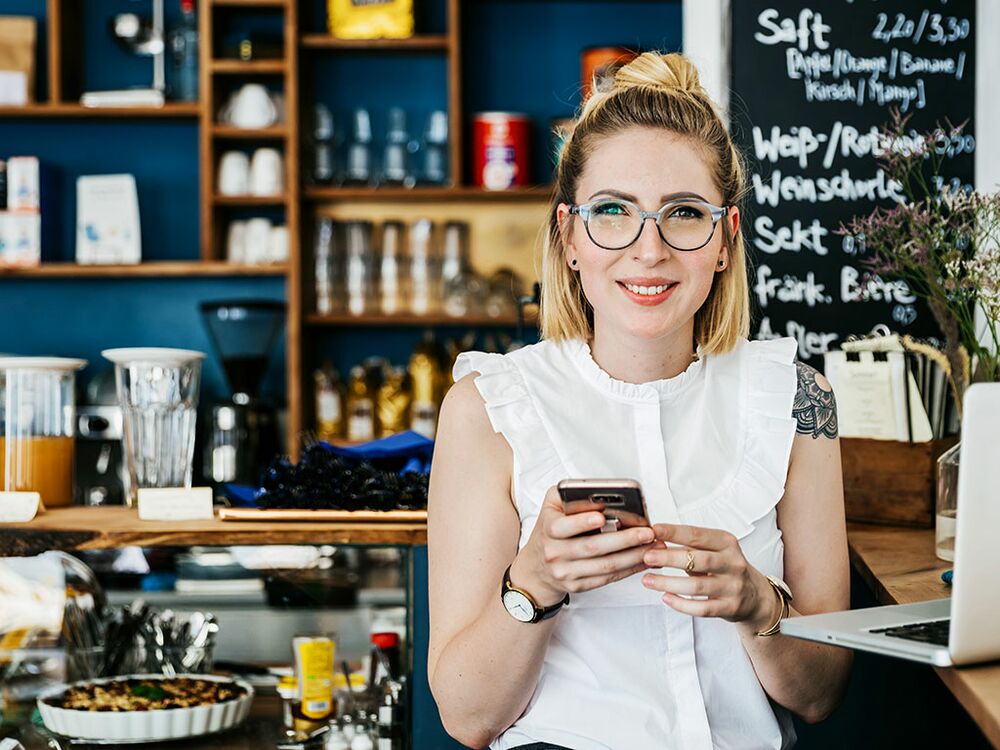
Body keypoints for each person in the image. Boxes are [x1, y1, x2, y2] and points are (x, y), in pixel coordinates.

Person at [426, 51, 852, 750]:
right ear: (569, 238)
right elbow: (468, 719)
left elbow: (822, 694)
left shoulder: (800, 400)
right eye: (612, 212)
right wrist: (532, 583)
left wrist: (757, 606)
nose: (648, 250)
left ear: (724, 241)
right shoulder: (486, 409)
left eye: (684, 214)